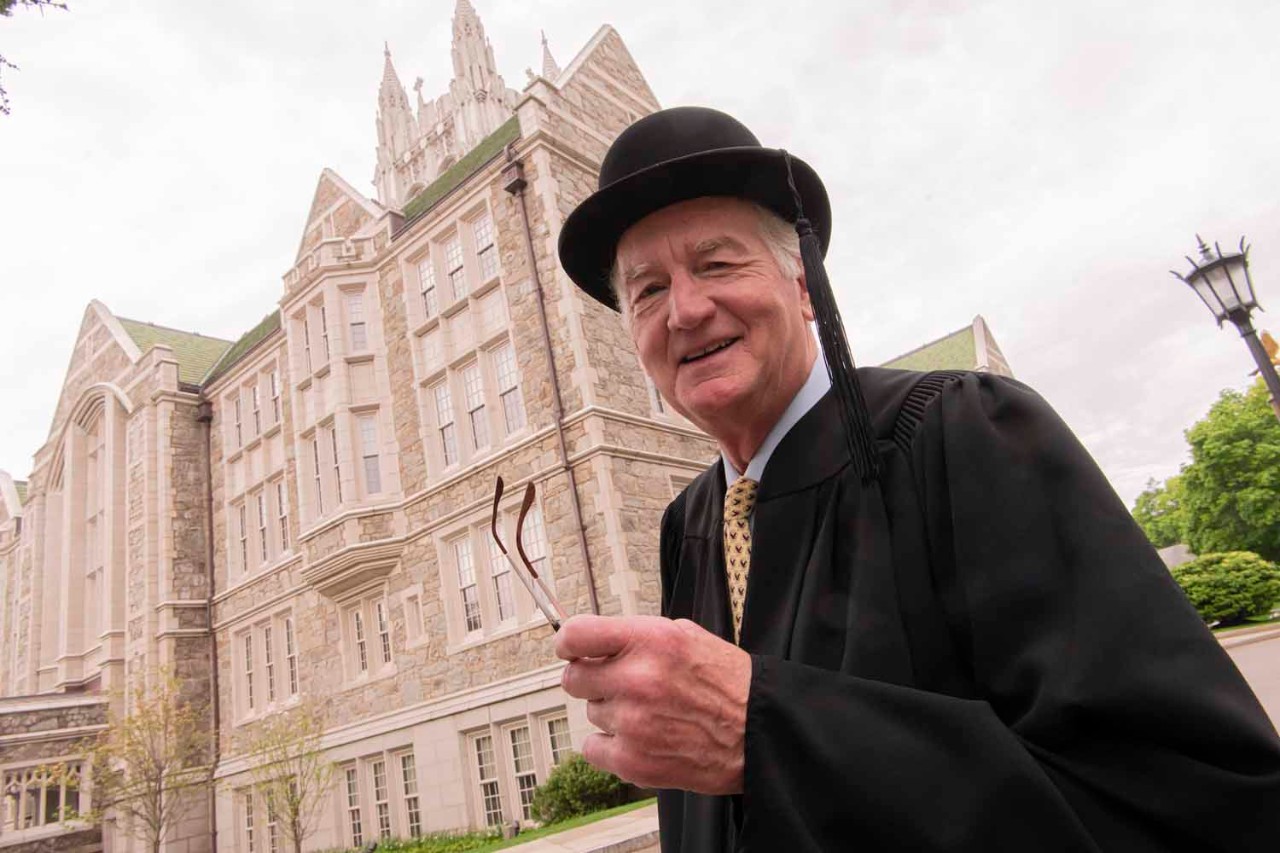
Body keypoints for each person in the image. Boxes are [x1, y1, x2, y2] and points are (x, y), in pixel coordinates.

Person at [552, 106, 1280, 851]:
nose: (686, 309)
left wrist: (772, 730)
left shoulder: (961, 433)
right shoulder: (692, 525)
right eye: (647, 290)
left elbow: (1193, 797)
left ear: (803, 285)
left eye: (717, 263)